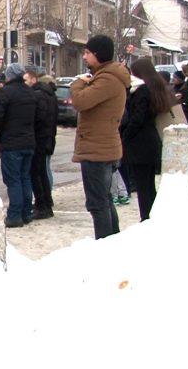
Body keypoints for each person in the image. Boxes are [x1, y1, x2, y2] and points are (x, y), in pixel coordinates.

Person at [70, 35, 130, 239]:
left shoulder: (107, 79)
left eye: (87, 53)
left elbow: (80, 101)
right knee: (104, 199)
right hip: (103, 147)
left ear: (98, 54)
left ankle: (105, 245)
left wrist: (78, 83)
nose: (84, 57)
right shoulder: (108, 76)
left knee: (97, 204)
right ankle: (112, 241)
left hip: (97, 150)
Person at [123, 58, 172, 221]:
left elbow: (137, 118)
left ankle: (147, 219)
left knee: (143, 186)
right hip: (149, 142)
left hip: (140, 145)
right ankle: (153, 217)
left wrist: (126, 135)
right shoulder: (154, 89)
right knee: (149, 185)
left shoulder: (142, 91)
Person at [0, 63, 38, 228]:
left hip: (11, 142)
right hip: (29, 141)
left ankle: (15, 215)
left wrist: (2, 131)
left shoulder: (6, 93)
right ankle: (26, 212)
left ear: (10, 75)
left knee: (13, 179)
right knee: (25, 177)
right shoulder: (30, 93)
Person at [26, 71, 58, 219]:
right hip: (47, 137)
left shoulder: (38, 95)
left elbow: (38, 118)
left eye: (26, 79)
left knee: (36, 173)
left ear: (34, 79)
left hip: (39, 138)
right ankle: (46, 202)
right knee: (42, 172)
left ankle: (42, 205)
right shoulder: (50, 95)